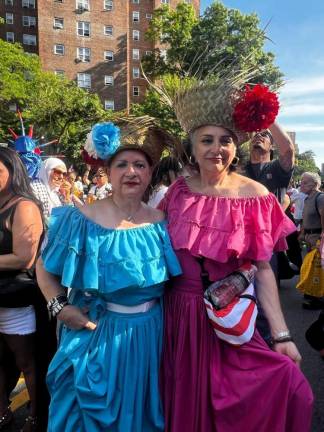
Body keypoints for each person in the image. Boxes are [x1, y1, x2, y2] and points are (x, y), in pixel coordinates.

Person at [156, 75, 313, 431]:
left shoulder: (255, 194)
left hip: (229, 319)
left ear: (235, 147)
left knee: (288, 388)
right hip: (177, 319)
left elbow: (265, 268)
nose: (217, 149)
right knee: (184, 404)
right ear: (192, 148)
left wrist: (282, 335)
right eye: (206, 140)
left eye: (225, 140)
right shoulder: (177, 193)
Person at [36, 122, 181, 431]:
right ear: (109, 170)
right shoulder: (81, 219)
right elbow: (44, 269)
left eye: (140, 165)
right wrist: (59, 308)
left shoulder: (162, 222)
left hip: (151, 336)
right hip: (97, 335)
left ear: (150, 171)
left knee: (143, 417)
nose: (131, 172)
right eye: (122, 164)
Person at [0, 147, 43, 431]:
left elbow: (23, 256)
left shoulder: (23, 206)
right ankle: (2, 413)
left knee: (27, 362)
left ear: (13, 171)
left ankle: (36, 415)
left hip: (16, 298)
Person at [245, 124, 295, 205]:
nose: (258, 135)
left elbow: (288, 151)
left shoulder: (277, 167)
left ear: (272, 146)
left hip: (268, 217)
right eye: (255, 135)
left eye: (264, 134)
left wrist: (269, 117)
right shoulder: (239, 167)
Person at [298, 171, 324, 309]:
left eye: (305, 182)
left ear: (314, 184)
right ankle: (312, 294)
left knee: (317, 269)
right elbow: (305, 219)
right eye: (301, 182)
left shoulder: (320, 197)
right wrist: (302, 233)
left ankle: (318, 298)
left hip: (317, 239)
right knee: (310, 267)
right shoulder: (308, 199)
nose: (301, 185)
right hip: (309, 238)